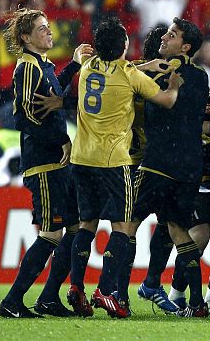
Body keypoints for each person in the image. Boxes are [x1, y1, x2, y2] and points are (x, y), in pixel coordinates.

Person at [68, 17, 182, 319]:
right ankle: (106, 290)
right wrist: (174, 85)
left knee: (87, 224)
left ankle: (76, 285)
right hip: (113, 161)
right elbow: (166, 100)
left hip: (81, 158)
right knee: (122, 226)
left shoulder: (87, 65)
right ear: (124, 46)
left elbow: (114, 67)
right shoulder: (129, 75)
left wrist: (145, 66)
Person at [0, 8, 92, 319]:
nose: (49, 32)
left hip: (58, 163)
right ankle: (12, 301)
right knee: (52, 234)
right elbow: (24, 116)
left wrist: (73, 65)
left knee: (75, 228)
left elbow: (51, 97)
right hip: (44, 163)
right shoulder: (26, 68)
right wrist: (60, 139)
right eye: (41, 28)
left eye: (48, 26)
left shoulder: (43, 65)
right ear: (26, 38)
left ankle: (49, 297)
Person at [125, 18, 210, 318]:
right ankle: (197, 303)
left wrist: (143, 68)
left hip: (159, 162)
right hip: (190, 167)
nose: (164, 37)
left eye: (172, 35)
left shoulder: (159, 73)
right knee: (178, 229)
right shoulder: (201, 76)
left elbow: (116, 79)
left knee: (127, 224)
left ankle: (117, 293)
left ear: (185, 47)